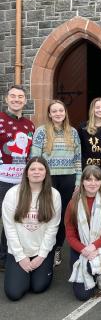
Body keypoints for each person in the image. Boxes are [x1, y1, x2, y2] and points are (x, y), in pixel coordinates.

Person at [2, 157, 61, 301]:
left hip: (41, 251)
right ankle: (20, 273)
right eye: (32, 169)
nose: (36, 172)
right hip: (18, 251)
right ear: (26, 173)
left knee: (38, 287)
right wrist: (21, 257)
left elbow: (52, 228)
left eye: (40, 169)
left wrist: (41, 256)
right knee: (14, 293)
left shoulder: (54, 195)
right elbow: (9, 228)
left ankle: (44, 266)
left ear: (46, 173)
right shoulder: (12, 193)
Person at [31, 100, 82, 266]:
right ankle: (41, 248)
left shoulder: (73, 132)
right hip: (48, 179)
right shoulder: (41, 131)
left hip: (68, 178)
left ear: (65, 113)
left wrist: (78, 180)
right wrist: (37, 179)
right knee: (45, 213)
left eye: (61, 110)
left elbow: (77, 158)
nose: (58, 113)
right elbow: (35, 158)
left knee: (61, 216)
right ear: (49, 114)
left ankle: (57, 248)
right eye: (54, 111)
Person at [65, 165, 101, 301]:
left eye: (96, 180)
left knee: (91, 266)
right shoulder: (73, 203)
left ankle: (98, 272)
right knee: (82, 295)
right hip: (80, 248)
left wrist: (93, 246)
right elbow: (70, 235)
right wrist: (84, 249)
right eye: (88, 180)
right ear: (82, 182)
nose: (93, 183)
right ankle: (94, 271)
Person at [0, 85, 35, 270]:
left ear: (25, 100)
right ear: (6, 99)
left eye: (20, 97)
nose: (16, 99)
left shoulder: (30, 125)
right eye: (13, 96)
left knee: (13, 219)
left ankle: (5, 257)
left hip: (21, 181)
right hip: (1, 179)